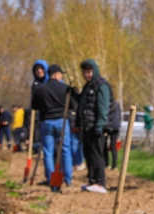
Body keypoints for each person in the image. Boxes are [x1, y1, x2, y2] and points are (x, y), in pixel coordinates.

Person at [30, 63, 73, 191]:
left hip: (47, 122)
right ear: (56, 74)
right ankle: (68, 179)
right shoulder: (64, 88)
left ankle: (50, 179)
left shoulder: (40, 89)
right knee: (65, 149)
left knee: (48, 152)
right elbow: (71, 104)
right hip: (62, 121)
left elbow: (34, 106)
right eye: (60, 74)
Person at [76, 59, 112, 193]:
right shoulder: (88, 86)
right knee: (88, 154)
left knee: (97, 155)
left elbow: (103, 108)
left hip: (96, 127)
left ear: (94, 71)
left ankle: (100, 182)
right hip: (87, 126)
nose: (87, 75)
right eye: (85, 72)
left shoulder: (101, 85)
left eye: (89, 72)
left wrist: (100, 126)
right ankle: (92, 180)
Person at [106, 96, 123, 170]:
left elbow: (108, 116)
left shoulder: (108, 104)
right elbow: (119, 116)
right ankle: (114, 165)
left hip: (109, 127)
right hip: (116, 127)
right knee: (113, 146)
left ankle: (107, 164)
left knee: (106, 146)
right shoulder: (117, 104)